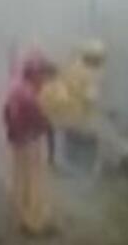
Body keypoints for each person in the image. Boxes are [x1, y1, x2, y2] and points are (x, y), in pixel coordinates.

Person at [2, 52, 58, 238]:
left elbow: (7, 115)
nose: (45, 80)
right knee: (34, 184)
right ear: (35, 74)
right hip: (29, 142)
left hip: (18, 141)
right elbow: (43, 123)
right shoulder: (29, 96)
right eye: (42, 74)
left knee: (20, 182)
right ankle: (35, 225)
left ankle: (21, 220)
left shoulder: (17, 88)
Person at [39, 40, 106, 175]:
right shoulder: (91, 74)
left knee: (67, 142)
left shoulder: (73, 66)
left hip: (64, 113)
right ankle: (80, 174)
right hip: (79, 117)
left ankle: (63, 167)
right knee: (83, 146)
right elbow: (90, 98)